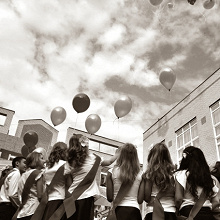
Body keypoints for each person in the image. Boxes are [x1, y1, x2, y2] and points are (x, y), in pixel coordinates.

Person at [49, 134, 120, 220]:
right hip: (86, 198)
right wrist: (117, 153)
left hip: (70, 198)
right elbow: (109, 162)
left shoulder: (70, 161)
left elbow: (68, 181)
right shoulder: (94, 158)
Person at [175, 146, 219, 220]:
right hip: (208, 215)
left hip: (187, 214)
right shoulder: (210, 178)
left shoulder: (181, 174)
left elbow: (178, 199)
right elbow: (216, 202)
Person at [106, 143, 144, 220]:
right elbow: (140, 200)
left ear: (121, 155)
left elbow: (110, 198)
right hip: (134, 212)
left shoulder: (111, 172)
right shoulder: (141, 174)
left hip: (117, 212)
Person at [35, 142, 68, 220]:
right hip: (61, 201)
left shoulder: (48, 167)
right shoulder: (66, 165)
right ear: (64, 152)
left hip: (48, 201)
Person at [143, 143, 176, 220]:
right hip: (170, 212)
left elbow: (147, 197)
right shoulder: (174, 174)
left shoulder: (149, 175)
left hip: (153, 212)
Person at [16, 151, 45, 220]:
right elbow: (40, 195)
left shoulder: (24, 175)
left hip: (22, 210)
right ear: (36, 160)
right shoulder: (38, 174)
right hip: (33, 210)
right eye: (42, 158)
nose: (44, 161)